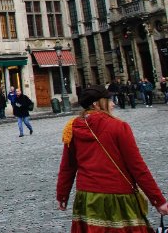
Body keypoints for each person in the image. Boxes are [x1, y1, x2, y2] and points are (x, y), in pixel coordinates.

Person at [56, 84, 168, 231]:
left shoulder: (72, 128)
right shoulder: (118, 126)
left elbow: (68, 166)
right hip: (118, 196)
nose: (113, 104)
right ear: (97, 104)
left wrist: (62, 195)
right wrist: (158, 200)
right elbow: (137, 167)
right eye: (108, 101)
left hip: (88, 197)